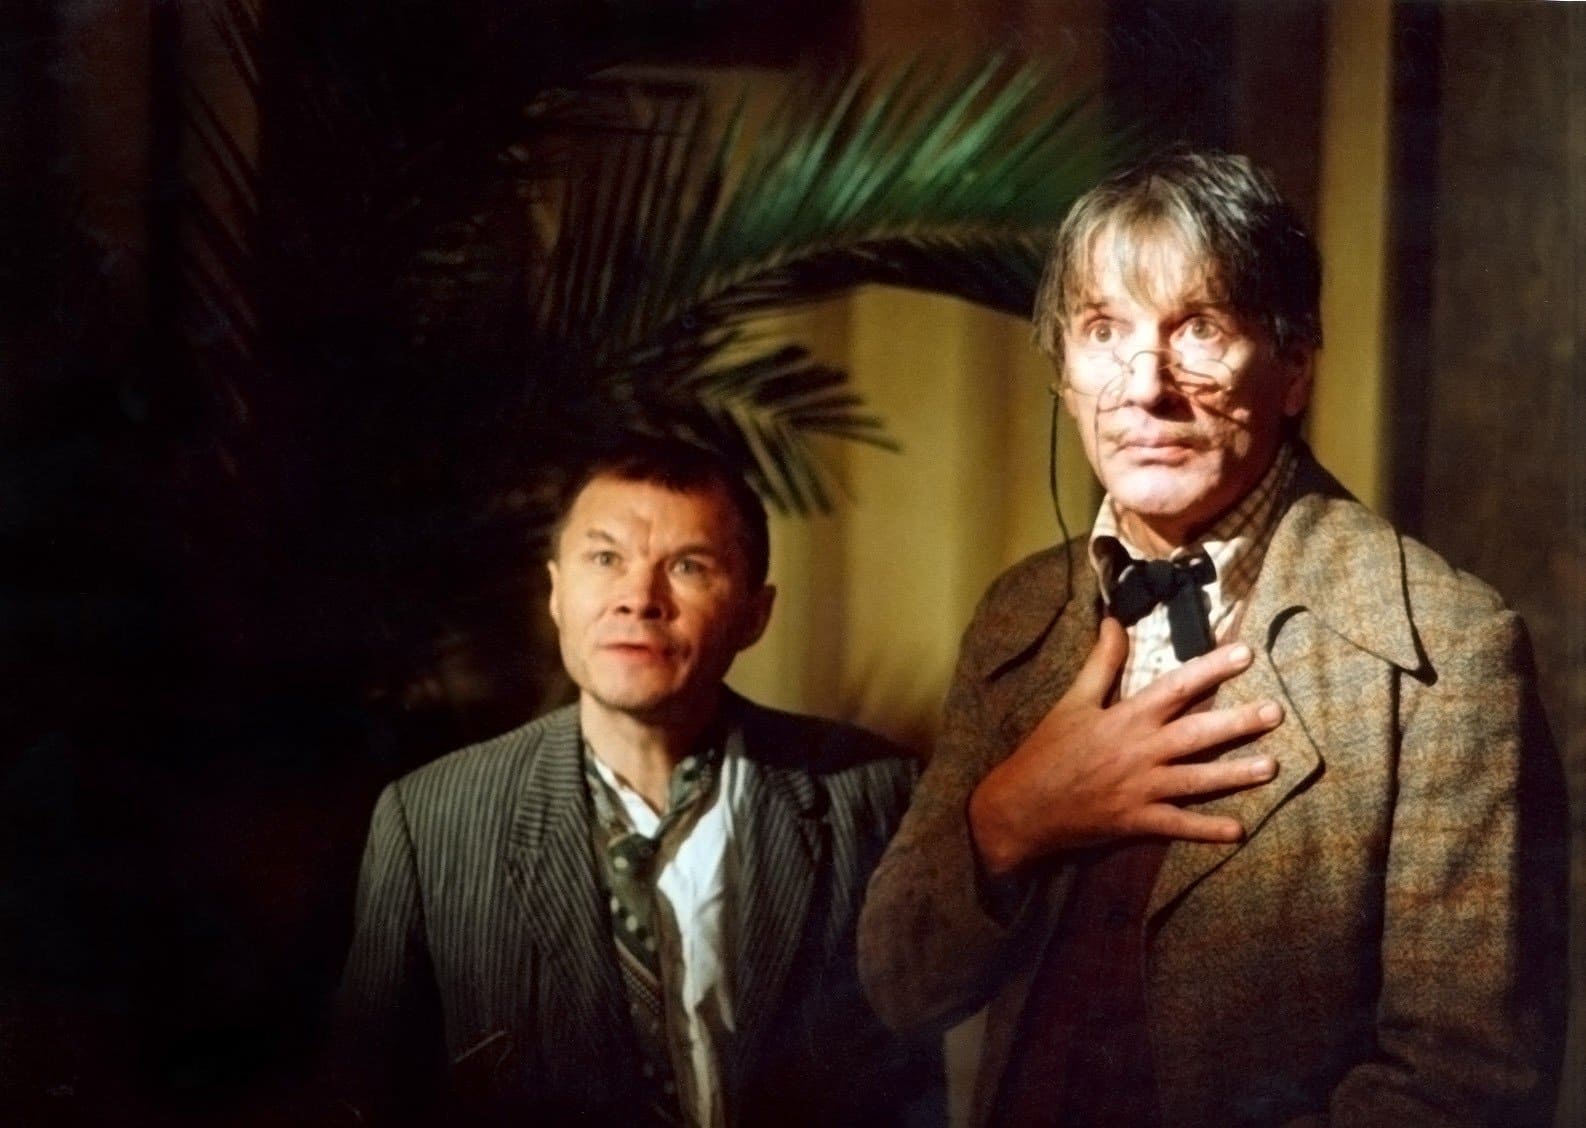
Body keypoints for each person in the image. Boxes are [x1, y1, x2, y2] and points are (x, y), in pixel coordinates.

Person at [857, 148, 1567, 1127]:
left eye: (1199, 327)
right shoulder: (1015, 615)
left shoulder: (1447, 648)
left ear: (1294, 366)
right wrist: (1007, 822)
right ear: (1063, 373)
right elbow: (896, 988)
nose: (1144, 386)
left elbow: (1465, 1087)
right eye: (1103, 330)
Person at [331, 437, 941, 1126]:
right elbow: (372, 1098)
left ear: (754, 614)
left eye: (687, 567)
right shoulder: (430, 820)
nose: (638, 599)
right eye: (605, 559)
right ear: (556, 592)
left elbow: (911, 1087)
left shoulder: (869, 794)